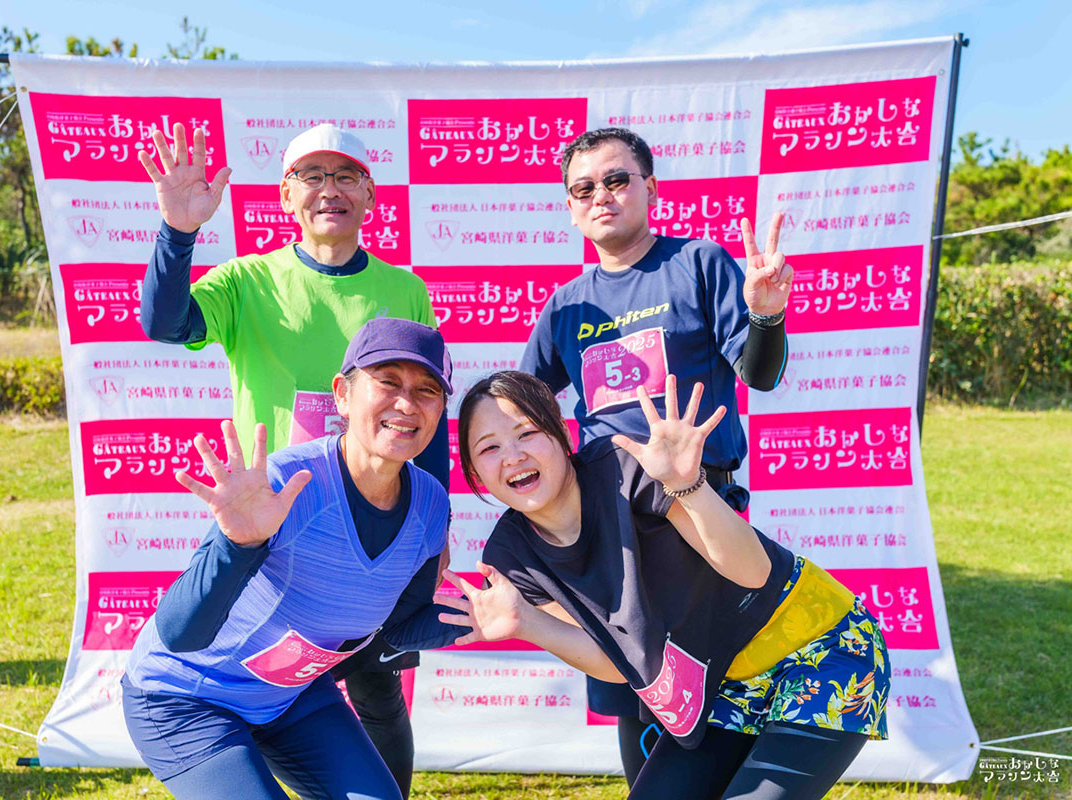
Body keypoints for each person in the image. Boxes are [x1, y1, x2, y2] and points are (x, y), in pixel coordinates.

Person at [137, 122, 447, 797]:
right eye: (312, 176)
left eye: (345, 176)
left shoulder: (405, 288)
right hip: (271, 522)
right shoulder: (247, 280)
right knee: (236, 649)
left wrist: (432, 528)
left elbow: (426, 408)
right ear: (285, 195)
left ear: (370, 195)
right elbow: (164, 324)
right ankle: (215, 750)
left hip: (372, 519)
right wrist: (178, 233)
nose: (329, 189)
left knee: (377, 680)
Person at [441, 371, 888, 800]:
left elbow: (754, 573)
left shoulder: (623, 468)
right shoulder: (511, 557)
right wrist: (527, 623)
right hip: (724, 682)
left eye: (527, 433)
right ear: (475, 474)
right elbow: (617, 662)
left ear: (562, 433)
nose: (513, 456)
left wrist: (686, 485)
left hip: (824, 646)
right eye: (489, 447)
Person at [519, 126, 793, 782]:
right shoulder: (566, 306)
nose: (602, 196)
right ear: (570, 207)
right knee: (635, 688)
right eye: (584, 188)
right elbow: (523, 407)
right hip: (610, 526)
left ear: (650, 189)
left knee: (717, 688)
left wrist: (765, 315)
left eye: (617, 179)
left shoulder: (698, 264)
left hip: (699, 510)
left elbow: (760, 375)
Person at [123, 318, 466, 800]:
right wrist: (237, 546)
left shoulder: (430, 506)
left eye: (426, 390)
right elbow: (182, 634)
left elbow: (396, 630)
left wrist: (479, 618)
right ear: (342, 395)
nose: (407, 403)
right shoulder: (287, 484)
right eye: (388, 382)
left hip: (289, 697)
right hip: (185, 697)